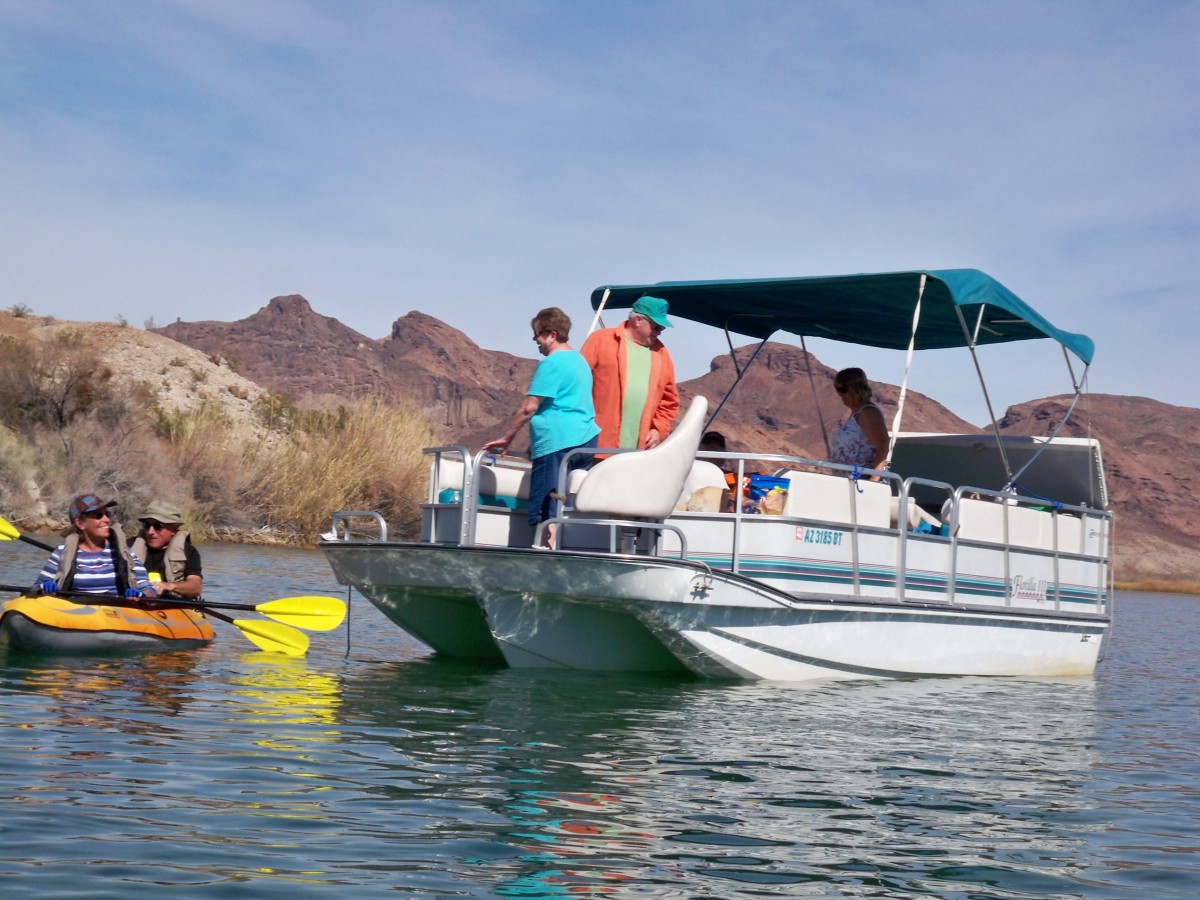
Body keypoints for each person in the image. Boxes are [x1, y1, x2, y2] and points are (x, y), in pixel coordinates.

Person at [483, 307, 600, 548]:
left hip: (558, 442)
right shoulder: (579, 361)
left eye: (536, 334)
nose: (534, 339)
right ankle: (566, 549)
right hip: (586, 439)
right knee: (566, 499)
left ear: (551, 334)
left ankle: (545, 551)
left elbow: (529, 407)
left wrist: (507, 437)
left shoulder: (552, 363)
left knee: (548, 504)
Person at [580, 295, 679, 451]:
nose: (659, 332)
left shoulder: (662, 353)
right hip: (597, 447)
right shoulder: (600, 340)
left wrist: (658, 429)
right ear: (638, 320)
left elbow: (669, 401)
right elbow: (576, 384)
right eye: (656, 327)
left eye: (662, 328)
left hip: (639, 455)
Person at [33, 494, 156, 599]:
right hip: (75, 614)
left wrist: (141, 594)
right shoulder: (61, 553)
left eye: (107, 514)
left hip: (116, 613)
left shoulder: (124, 553)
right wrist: (44, 588)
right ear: (80, 523)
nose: (106, 520)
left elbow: (148, 588)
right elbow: (37, 587)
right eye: (98, 515)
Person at [128, 500, 203, 599]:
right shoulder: (128, 547)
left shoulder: (188, 551)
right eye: (147, 526)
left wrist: (169, 586)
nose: (150, 532)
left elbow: (195, 587)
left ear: (174, 529)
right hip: (134, 605)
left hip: (174, 606)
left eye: (158, 526)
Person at [829, 367, 889, 479]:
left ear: (855, 388)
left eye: (842, 389)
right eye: (837, 389)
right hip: (846, 482)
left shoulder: (868, 412)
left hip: (860, 484)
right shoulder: (855, 413)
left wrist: (874, 479)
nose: (840, 394)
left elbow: (883, 442)